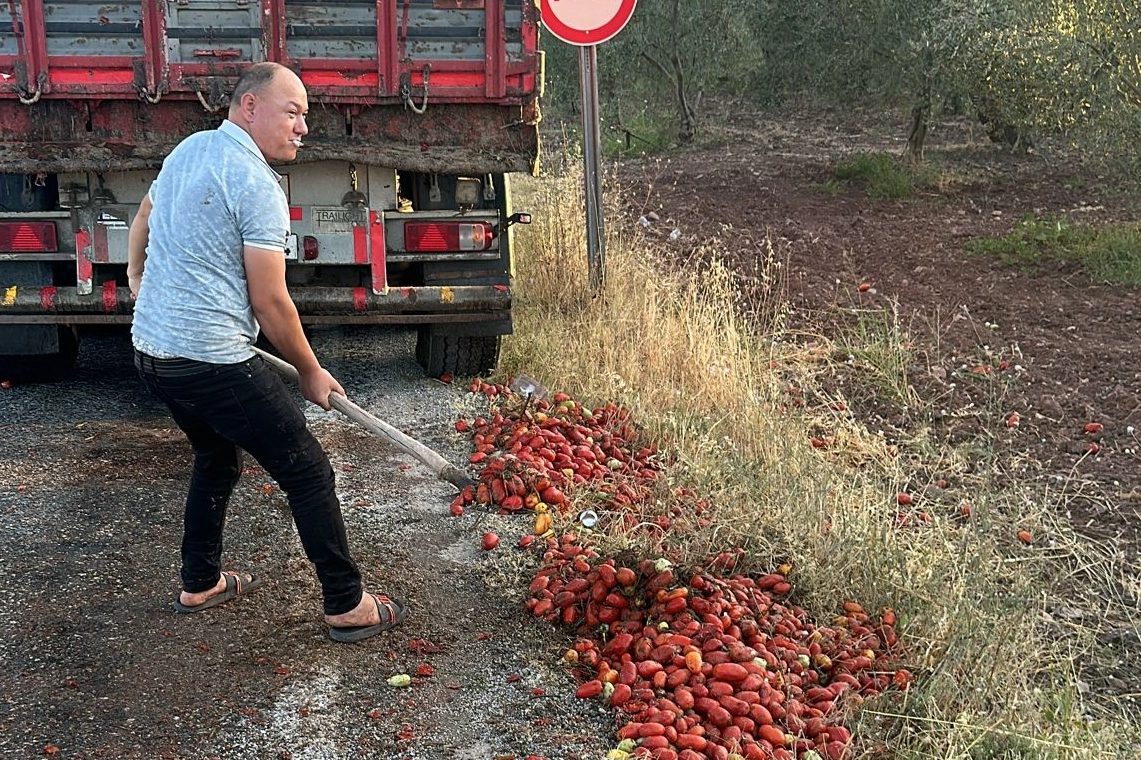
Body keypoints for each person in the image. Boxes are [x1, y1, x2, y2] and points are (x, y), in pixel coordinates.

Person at [127, 61, 405, 643]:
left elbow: (144, 217)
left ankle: (199, 581)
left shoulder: (190, 150)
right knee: (307, 469)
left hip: (151, 353)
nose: (303, 127)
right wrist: (310, 371)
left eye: (305, 115)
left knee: (217, 455)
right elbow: (271, 301)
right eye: (293, 111)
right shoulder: (255, 184)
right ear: (249, 107)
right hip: (209, 359)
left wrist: (137, 275)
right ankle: (346, 604)